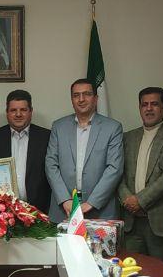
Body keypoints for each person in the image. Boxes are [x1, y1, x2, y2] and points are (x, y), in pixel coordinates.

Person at [117, 87, 163, 270]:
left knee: (162, 274)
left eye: (154, 104)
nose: (149, 108)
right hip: (130, 220)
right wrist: (127, 199)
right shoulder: (127, 137)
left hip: (159, 221)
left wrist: (140, 200)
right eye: (144, 104)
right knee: (130, 273)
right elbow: (117, 172)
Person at [45, 78, 124, 222]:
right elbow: (51, 164)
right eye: (76, 95)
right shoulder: (58, 126)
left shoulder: (113, 128)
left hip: (101, 211)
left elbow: (114, 168)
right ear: (72, 100)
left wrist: (91, 203)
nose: (81, 99)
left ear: (96, 98)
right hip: (64, 210)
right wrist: (65, 200)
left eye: (87, 94)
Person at [0, 89, 52, 213]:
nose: (18, 114)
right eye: (13, 110)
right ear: (7, 112)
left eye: (23, 110)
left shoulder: (47, 137)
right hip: (2, 212)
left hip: (39, 211)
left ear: (31, 111)